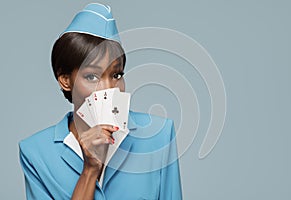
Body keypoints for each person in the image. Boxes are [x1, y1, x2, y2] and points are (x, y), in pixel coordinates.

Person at [19, 3, 182, 200]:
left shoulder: (159, 135)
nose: (109, 89)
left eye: (116, 74)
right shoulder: (36, 153)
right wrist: (89, 170)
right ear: (65, 80)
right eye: (92, 77)